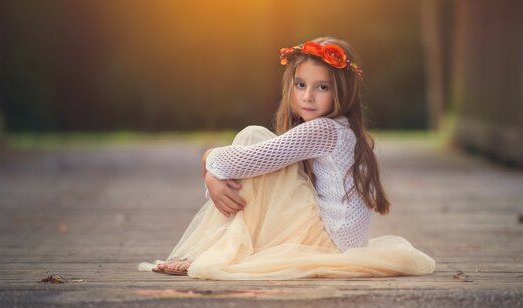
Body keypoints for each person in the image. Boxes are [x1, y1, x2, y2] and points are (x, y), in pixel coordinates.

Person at [139, 36, 435, 279]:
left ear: (342, 91)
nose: (308, 96)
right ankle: (222, 247)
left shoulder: (324, 130)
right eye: (300, 84)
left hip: (327, 242)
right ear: (290, 86)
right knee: (257, 149)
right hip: (337, 240)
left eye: (322, 87)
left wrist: (208, 165)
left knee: (252, 137)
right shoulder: (342, 129)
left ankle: (217, 250)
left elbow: (237, 162)